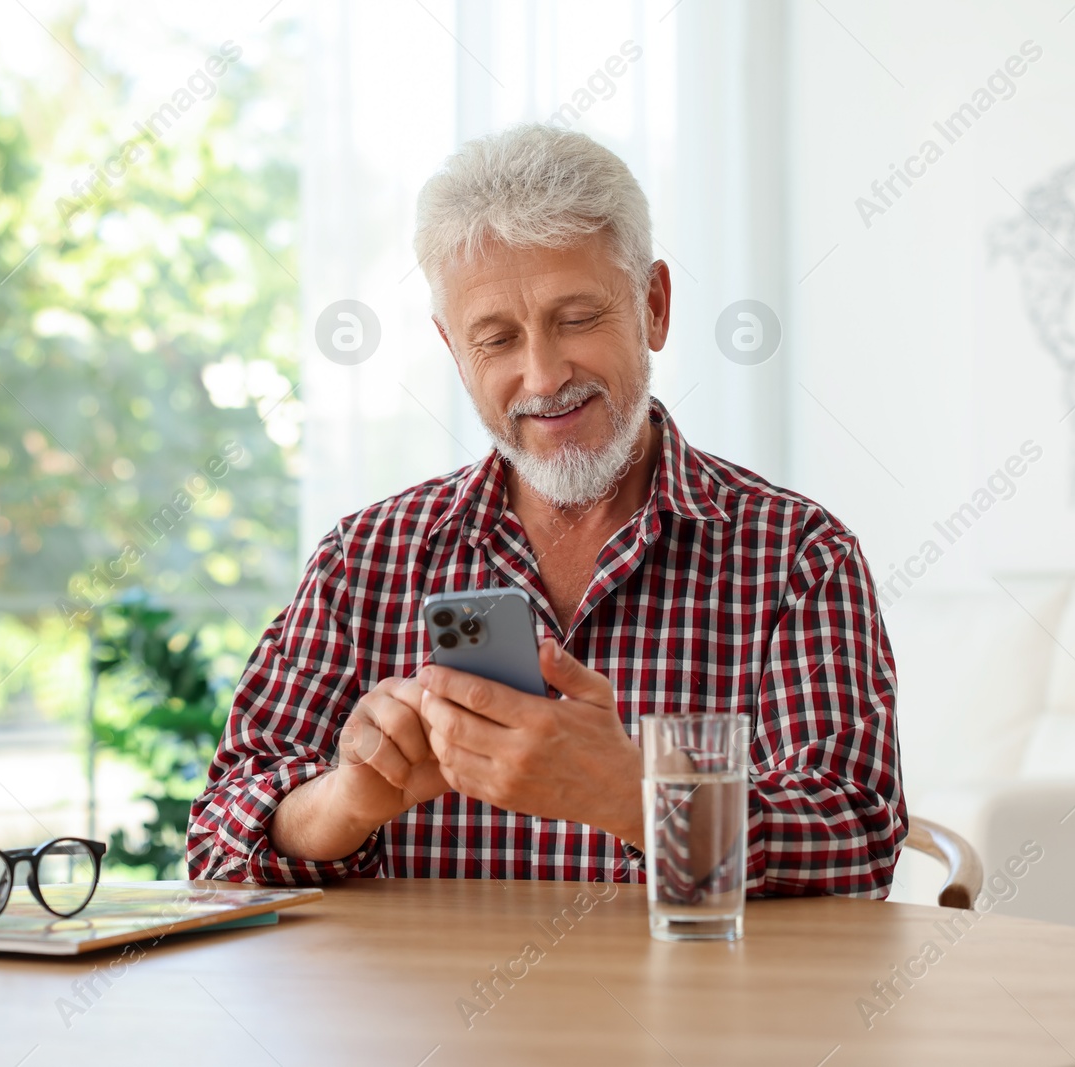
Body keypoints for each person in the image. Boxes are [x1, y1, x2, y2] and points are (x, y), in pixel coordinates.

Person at [187, 123, 905, 896]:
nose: (543, 375)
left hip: (691, 1015)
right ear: (455, 351)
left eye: (577, 319)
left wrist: (633, 797)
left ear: (654, 306)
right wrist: (347, 799)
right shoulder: (365, 558)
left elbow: (858, 836)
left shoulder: (797, 555)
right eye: (496, 339)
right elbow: (217, 840)